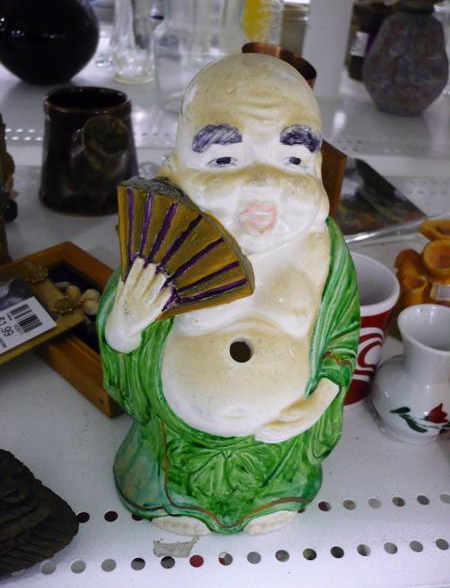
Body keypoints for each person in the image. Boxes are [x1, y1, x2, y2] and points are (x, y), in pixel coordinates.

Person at [98, 53, 359, 535]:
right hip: (172, 450)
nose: (263, 184)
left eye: (293, 160)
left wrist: (318, 401)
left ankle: (272, 496)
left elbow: (340, 341)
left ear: (318, 166)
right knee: (166, 480)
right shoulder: (167, 240)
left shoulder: (322, 247)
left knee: (277, 489)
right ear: (175, 166)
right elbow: (121, 345)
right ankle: (173, 499)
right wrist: (123, 326)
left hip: (279, 452)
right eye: (223, 160)